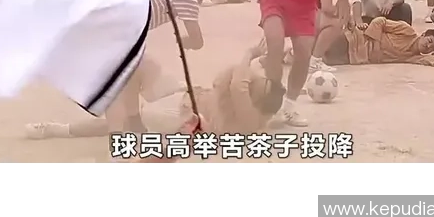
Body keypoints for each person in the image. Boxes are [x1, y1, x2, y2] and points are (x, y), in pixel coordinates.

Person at [26, 0, 225, 139]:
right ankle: (118, 140)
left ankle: (132, 122)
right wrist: (187, 41)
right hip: (116, 24)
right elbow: (197, 40)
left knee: (131, 72)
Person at [25, 39, 284, 140]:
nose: (255, 81)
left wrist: (248, 55)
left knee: (122, 119)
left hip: (181, 117)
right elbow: (224, 81)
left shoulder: (250, 119)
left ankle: (57, 129)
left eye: (261, 85)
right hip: (185, 94)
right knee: (139, 62)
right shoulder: (253, 108)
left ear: (263, 101)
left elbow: (237, 85)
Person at [321, 17, 434, 67]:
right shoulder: (407, 31)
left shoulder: (413, 57)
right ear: (423, 34)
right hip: (355, 39)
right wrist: (376, 44)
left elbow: (427, 60)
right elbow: (380, 21)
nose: (427, 46)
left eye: (431, 48)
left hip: (355, 57)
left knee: (327, 62)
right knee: (323, 46)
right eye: (429, 41)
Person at [309, 0, 360, 73]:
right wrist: (347, 17)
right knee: (336, 23)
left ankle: (311, 56)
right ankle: (314, 60)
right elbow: (326, 8)